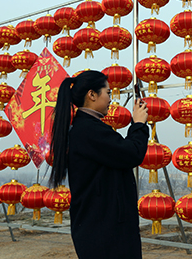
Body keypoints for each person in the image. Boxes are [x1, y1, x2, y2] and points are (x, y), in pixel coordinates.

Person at [50, 70, 149, 259]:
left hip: (99, 226)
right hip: (105, 231)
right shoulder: (89, 130)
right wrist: (139, 124)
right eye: (108, 92)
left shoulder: (86, 128)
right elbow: (131, 154)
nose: (111, 99)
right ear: (92, 95)